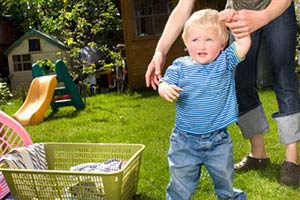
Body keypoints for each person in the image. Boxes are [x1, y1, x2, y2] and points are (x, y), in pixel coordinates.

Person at [146, 0, 300, 186]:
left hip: (277, 8)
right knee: (241, 80)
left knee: (284, 76)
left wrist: (263, 16)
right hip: (239, 12)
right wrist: (160, 51)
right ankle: (258, 154)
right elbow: (183, 7)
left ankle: (291, 160)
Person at [158, 8, 250, 199]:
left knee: (225, 181)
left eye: (209, 40)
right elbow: (164, 82)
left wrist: (233, 21)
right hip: (184, 141)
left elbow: (243, 43)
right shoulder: (180, 66)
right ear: (186, 43)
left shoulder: (225, 61)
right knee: (179, 185)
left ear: (222, 44)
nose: (202, 45)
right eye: (195, 40)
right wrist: (165, 88)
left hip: (218, 140)